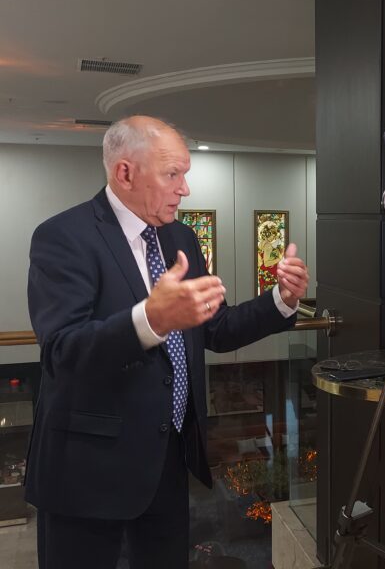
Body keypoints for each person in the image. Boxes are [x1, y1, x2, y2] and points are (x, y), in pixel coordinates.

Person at [25, 115, 310, 569]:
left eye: (185, 174)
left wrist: (281, 300)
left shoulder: (181, 237)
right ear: (125, 172)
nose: (185, 189)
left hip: (166, 462)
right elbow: (63, 351)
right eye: (173, 174)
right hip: (87, 474)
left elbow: (214, 328)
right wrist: (150, 320)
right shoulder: (63, 237)